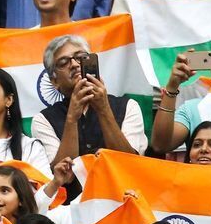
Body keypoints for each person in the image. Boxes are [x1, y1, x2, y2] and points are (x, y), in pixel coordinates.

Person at [31, 35, 146, 167]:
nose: (74, 64)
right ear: (54, 81)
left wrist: (103, 109)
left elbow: (130, 164)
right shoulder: (43, 120)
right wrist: (71, 119)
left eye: (80, 57)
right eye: (63, 62)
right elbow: (61, 176)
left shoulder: (128, 106)